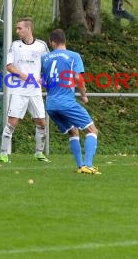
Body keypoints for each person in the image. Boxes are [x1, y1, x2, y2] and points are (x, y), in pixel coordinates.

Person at [41, 29, 101, 174]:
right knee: (92, 130)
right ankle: (88, 165)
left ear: (52, 42)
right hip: (66, 102)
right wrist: (83, 95)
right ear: (64, 41)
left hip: (50, 104)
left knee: (73, 132)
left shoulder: (45, 58)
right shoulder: (74, 56)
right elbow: (78, 78)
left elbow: (43, 81)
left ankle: (81, 166)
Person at [0, 17, 50, 163]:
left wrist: (44, 78)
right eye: (17, 28)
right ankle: (3, 153)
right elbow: (9, 66)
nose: (17, 31)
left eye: (19, 28)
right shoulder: (15, 45)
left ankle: (39, 153)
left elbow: (48, 65)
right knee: (12, 122)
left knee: (41, 122)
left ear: (29, 29)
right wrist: (25, 77)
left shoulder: (41, 46)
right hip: (19, 90)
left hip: (35, 91)